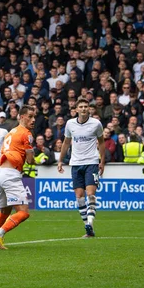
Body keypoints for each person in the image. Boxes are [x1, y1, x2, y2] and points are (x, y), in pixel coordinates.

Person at [0, 106, 37, 250]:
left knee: (5, 211)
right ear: (21, 116)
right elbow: (30, 160)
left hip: (1, 172)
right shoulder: (26, 134)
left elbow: (2, 156)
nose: (33, 120)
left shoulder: (10, 133)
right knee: (23, 212)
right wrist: (34, 158)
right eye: (30, 116)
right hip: (11, 174)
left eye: (34, 117)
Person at [57, 97, 105, 238]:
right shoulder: (70, 124)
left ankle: (90, 223)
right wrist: (60, 160)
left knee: (91, 194)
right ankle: (87, 228)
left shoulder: (96, 124)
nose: (84, 109)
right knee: (79, 196)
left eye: (86, 106)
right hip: (76, 164)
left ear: (89, 108)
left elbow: (101, 143)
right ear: (76, 109)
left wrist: (102, 161)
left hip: (91, 162)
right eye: (81, 106)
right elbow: (66, 143)